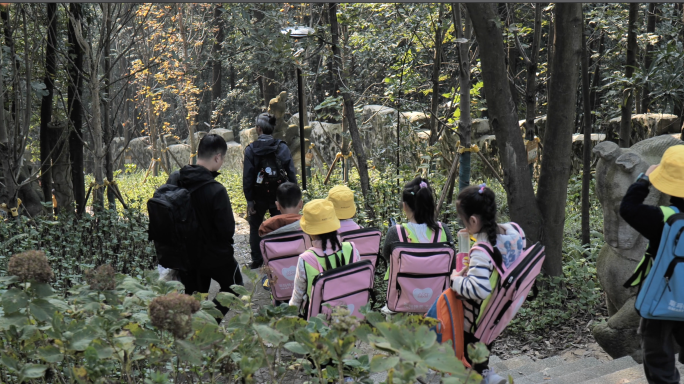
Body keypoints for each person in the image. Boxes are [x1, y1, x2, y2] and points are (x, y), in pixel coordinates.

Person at [619, 146, 684, 384]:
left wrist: (644, 179)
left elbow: (628, 208)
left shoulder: (663, 217)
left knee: (657, 349)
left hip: (662, 293)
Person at [450, 183, 525, 384]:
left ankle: (479, 377)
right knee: (483, 349)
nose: (464, 226)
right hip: (497, 312)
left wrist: (455, 279)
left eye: (464, 221)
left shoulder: (482, 250)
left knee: (468, 358)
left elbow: (479, 289)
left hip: (476, 319)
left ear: (473, 220)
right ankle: (485, 373)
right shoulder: (516, 233)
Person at [166, 134, 243, 319]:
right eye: (222, 159)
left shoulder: (175, 179)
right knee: (235, 285)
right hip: (212, 256)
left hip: (182, 256)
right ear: (217, 157)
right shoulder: (216, 190)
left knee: (195, 296)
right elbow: (226, 231)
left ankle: (190, 332)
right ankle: (209, 323)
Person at [243, 113, 298, 269]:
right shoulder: (282, 147)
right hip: (279, 195)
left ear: (258, 129)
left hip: (258, 195)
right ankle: (282, 257)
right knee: (282, 225)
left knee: (255, 226)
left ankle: (257, 260)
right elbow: (291, 173)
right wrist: (293, 196)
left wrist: (249, 200)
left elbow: (247, 177)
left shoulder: (251, 150)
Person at [288, 199, 361, 312]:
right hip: (351, 313)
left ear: (310, 231)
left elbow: (297, 297)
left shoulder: (305, 259)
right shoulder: (352, 249)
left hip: (319, 322)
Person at [381, 177, 454, 262]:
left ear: (404, 206)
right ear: (429, 203)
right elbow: (453, 262)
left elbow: (387, 256)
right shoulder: (442, 230)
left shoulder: (395, 232)